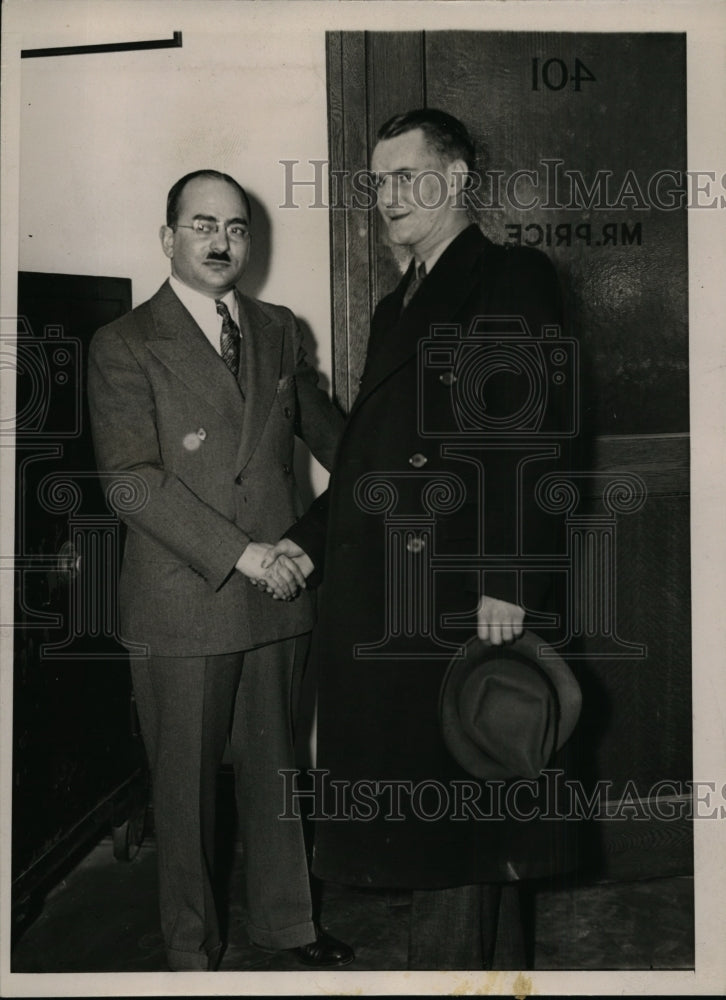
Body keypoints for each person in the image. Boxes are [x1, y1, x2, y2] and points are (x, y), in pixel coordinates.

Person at [265, 110, 579, 969]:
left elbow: (533, 438)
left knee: (457, 827)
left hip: (458, 602)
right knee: (467, 825)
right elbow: (370, 462)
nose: (388, 197)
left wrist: (510, 579)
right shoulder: (398, 301)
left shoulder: (507, 276)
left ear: (460, 180)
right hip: (394, 604)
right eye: (379, 182)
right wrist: (307, 541)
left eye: (408, 177)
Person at [87, 169, 351, 971]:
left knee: (277, 773)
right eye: (202, 225)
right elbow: (131, 479)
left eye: (236, 228)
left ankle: (289, 926)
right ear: (168, 237)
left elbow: (343, 447)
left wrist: (319, 535)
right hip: (184, 597)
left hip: (279, 592)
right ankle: (191, 951)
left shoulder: (277, 328)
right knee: (187, 792)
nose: (220, 241)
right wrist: (245, 554)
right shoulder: (124, 343)